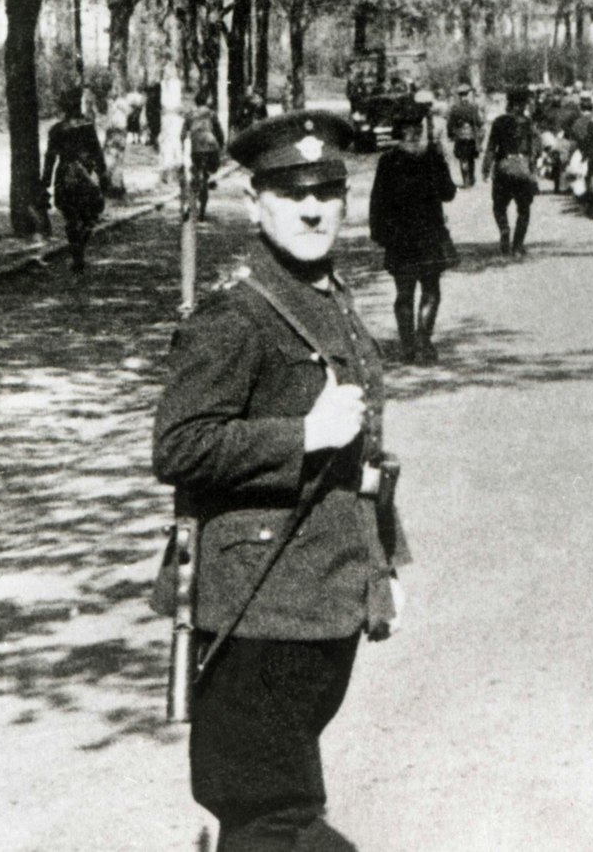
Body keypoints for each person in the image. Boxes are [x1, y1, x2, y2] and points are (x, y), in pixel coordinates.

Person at [151, 110, 406, 852]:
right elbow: (179, 444)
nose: (313, 208)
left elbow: (363, 460)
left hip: (322, 601)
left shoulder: (327, 297)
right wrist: (301, 434)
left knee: (273, 813)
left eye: (327, 191)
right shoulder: (238, 313)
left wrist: (381, 562)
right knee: (272, 817)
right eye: (292, 193)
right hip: (256, 608)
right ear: (253, 202)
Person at [369, 113, 457, 362]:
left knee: (403, 292)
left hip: (400, 237)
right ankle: (423, 344)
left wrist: (379, 233)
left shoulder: (388, 160)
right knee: (431, 289)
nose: (417, 132)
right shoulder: (432, 157)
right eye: (416, 128)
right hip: (429, 233)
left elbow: (377, 200)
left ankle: (408, 346)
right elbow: (449, 193)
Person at [42, 87, 108, 272]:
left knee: (71, 217)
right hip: (84, 177)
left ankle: (76, 254)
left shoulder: (56, 129)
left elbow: (50, 157)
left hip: (64, 175)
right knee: (90, 216)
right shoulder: (86, 126)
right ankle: (79, 249)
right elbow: (96, 151)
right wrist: (102, 173)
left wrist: (45, 181)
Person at [482, 94, 539, 258]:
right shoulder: (528, 123)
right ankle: (518, 245)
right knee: (524, 209)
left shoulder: (499, 122)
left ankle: (504, 229)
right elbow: (534, 150)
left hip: (503, 168)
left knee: (499, 206)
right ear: (523, 105)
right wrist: (533, 171)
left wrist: (486, 168)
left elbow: (491, 147)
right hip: (522, 168)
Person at [185, 88, 226, 219]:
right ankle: (211, 178)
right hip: (210, 146)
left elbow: (183, 132)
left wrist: (182, 143)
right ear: (206, 102)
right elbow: (219, 131)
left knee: (196, 170)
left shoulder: (190, 114)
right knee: (212, 167)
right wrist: (222, 142)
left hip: (196, 148)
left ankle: (197, 182)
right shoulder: (211, 114)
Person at [448, 84, 484, 188]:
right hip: (471, 136)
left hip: (459, 137)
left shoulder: (455, 108)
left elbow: (450, 124)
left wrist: (450, 135)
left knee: (462, 158)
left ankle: (465, 180)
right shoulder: (473, 107)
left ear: (459, 96)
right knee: (471, 158)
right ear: (467, 95)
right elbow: (478, 122)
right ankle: (471, 178)